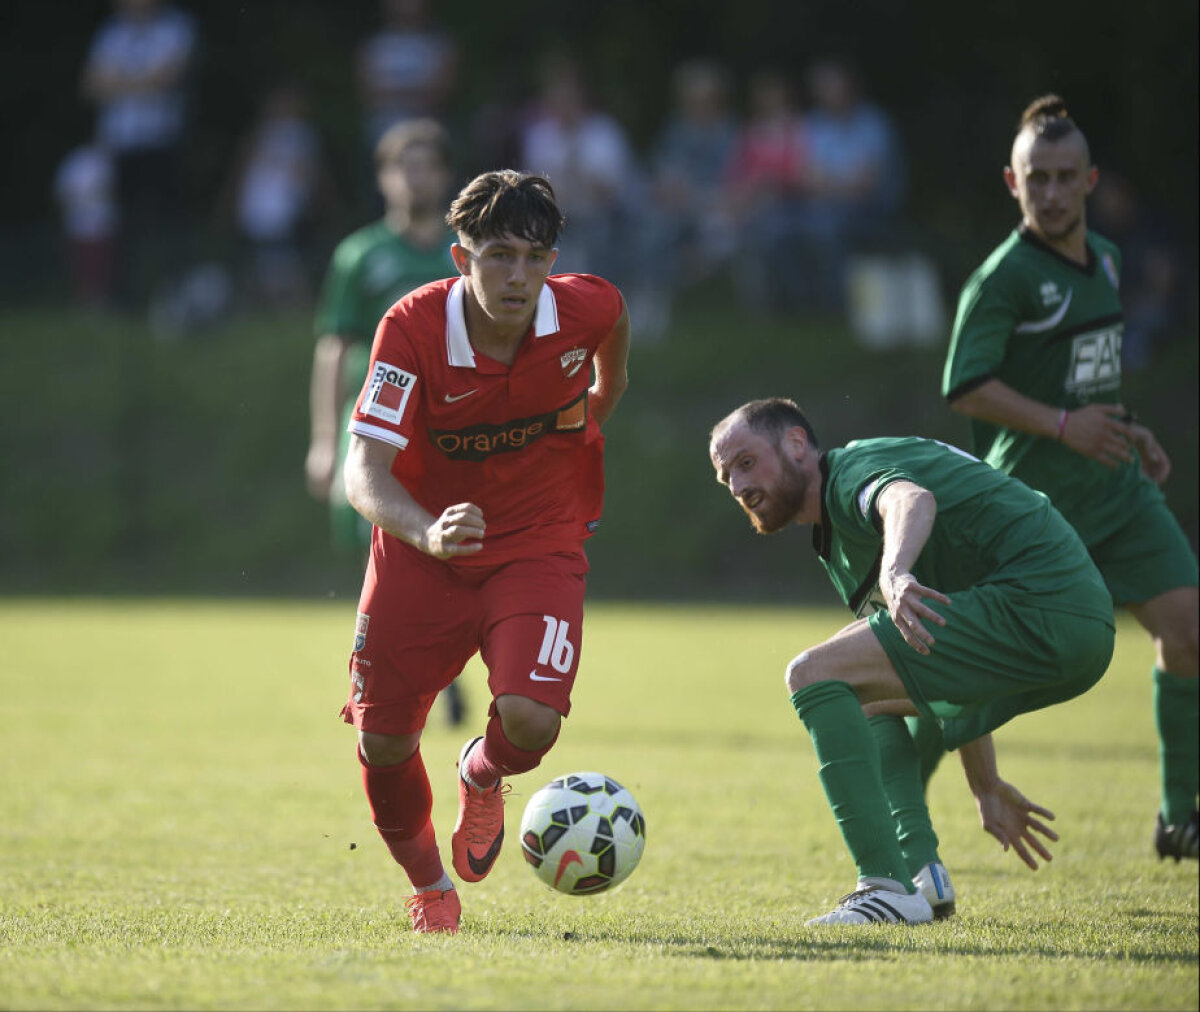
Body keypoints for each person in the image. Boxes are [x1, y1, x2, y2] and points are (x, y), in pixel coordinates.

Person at [339, 169, 631, 934]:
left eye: (536, 257)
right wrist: (428, 529)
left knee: (532, 720)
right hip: (422, 550)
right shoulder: (411, 328)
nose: (519, 276)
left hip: (538, 537)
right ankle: (432, 887)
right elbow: (361, 472)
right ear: (459, 258)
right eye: (498, 254)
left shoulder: (587, 307)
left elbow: (612, 347)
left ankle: (483, 770)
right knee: (384, 739)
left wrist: (595, 405)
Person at [709, 397, 1115, 925]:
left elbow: (909, 499)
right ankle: (921, 873)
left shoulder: (850, 472)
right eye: (726, 479)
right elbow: (940, 662)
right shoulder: (833, 535)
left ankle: (883, 885)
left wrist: (895, 573)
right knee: (863, 698)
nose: (738, 487)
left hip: (1043, 602)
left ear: (795, 443)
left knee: (812, 674)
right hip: (1078, 625)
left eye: (745, 463)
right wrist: (985, 785)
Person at [942, 94, 1199, 861]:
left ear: (1089, 181)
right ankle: (914, 838)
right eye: (1036, 178)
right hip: (1034, 505)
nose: (1051, 192)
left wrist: (1127, 427)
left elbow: (1091, 377)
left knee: (1189, 632)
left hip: (1115, 486)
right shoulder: (1001, 280)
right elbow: (966, 385)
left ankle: (1178, 817)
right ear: (1012, 184)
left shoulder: (1110, 262)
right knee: (975, 666)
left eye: (1064, 177)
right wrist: (1061, 427)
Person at [306, 118, 466, 725]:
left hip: (451, 431)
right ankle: (388, 674)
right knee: (379, 548)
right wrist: (324, 441)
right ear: (383, 178)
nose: (414, 178)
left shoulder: (465, 255)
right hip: (374, 431)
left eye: (426, 166)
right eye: (403, 166)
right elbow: (334, 348)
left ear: (445, 177)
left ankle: (440, 670)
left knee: (448, 546)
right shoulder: (360, 255)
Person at [80, 0, 198, 309]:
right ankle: (125, 298)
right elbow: (92, 85)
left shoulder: (175, 27)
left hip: (161, 140)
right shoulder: (111, 32)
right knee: (123, 222)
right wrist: (144, 81)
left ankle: (176, 293)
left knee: (168, 220)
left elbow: (168, 78)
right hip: (120, 142)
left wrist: (118, 82)